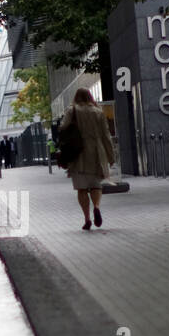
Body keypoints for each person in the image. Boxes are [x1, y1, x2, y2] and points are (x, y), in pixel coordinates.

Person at [59, 88, 115, 230]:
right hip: (97, 153)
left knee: (82, 189)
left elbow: (63, 127)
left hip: (78, 154)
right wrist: (110, 156)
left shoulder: (72, 110)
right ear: (90, 96)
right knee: (96, 185)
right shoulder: (98, 112)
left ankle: (87, 218)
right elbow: (106, 135)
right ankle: (96, 206)